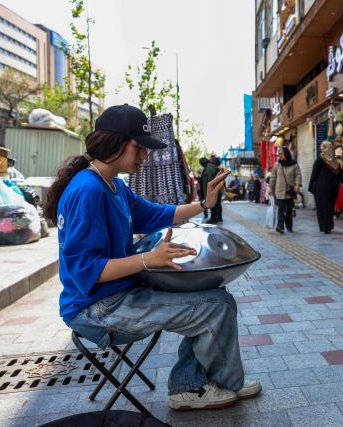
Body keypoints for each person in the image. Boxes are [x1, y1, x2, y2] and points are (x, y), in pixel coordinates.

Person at [42, 105, 261, 411]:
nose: (145, 157)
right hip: (96, 310)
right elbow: (84, 271)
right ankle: (193, 388)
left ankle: (207, 381)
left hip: (119, 294)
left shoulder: (113, 186)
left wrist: (204, 203)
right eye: (139, 148)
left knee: (215, 297)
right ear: (115, 143)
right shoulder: (88, 190)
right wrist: (148, 260)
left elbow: (159, 214)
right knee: (215, 308)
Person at [308, 141, 343, 234]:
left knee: (322, 208)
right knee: (330, 207)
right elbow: (341, 176)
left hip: (321, 189)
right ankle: (329, 226)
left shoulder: (319, 160)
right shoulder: (336, 162)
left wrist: (310, 187)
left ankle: (324, 227)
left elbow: (314, 175)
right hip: (333, 189)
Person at [268, 147, 301, 234]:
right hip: (279, 191)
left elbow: (298, 175)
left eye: (282, 154)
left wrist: (297, 185)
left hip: (290, 191)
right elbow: (273, 177)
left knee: (289, 210)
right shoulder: (277, 165)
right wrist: (271, 188)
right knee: (281, 209)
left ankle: (289, 226)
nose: (280, 156)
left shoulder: (294, 164)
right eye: (279, 154)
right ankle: (280, 226)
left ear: (286, 153)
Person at [198, 156, 218, 221]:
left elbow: (210, 179)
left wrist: (210, 190)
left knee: (213, 204)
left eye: (201, 163)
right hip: (210, 189)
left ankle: (213, 218)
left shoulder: (209, 167)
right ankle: (217, 218)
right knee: (215, 204)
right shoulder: (208, 167)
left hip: (211, 190)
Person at [208, 155, 224, 224]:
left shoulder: (214, 170)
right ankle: (219, 218)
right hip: (218, 190)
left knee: (214, 204)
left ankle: (214, 218)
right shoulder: (218, 169)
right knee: (218, 204)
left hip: (215, 189)